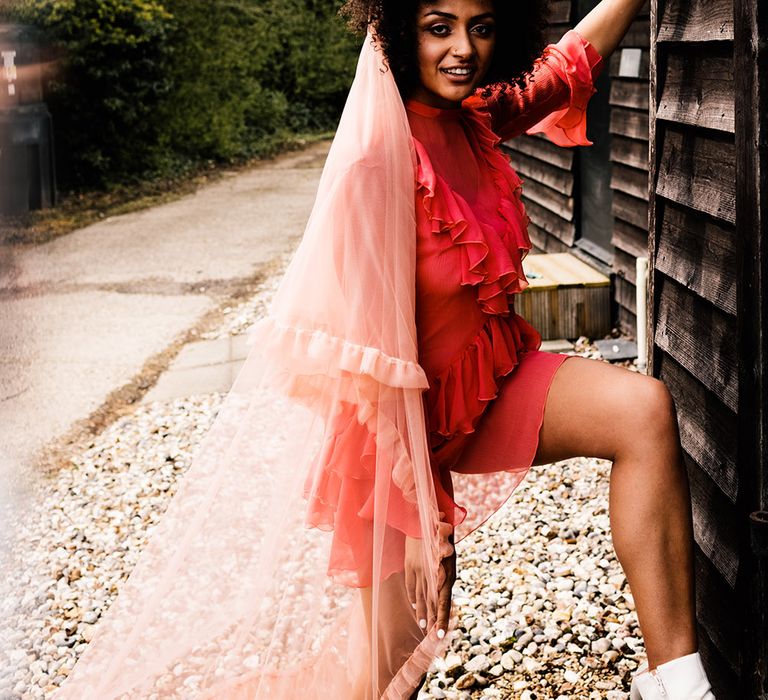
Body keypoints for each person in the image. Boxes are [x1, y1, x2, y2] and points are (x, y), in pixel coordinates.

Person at [50, 1, 717, 699]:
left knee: (641, 409)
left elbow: (564, 66)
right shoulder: (377, 160)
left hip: (485, 384)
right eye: (440, 28)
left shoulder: (478, 116)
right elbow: (369, 368)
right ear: (400, 34)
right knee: (391, 656)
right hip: (391, 440)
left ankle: (677, 683)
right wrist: (426, 518)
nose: (464, 49)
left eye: (481, 28)